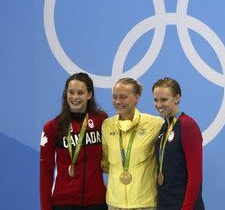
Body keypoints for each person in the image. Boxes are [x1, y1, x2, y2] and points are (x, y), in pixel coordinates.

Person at [40, 72, 108, 210]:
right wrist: (46, 207)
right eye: (71, 92)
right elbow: (45, 171)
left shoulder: (101, 120)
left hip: (97, 202)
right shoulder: (52, 127)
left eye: (80, 93)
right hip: (64, 203)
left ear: (89, 95)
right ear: (66, 94)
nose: (75, 97)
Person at [101, 77, 163, 210]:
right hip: (115, 204)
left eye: (123, 97)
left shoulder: (155, 124)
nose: (118, 101)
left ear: (137, 97)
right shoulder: (107, 125)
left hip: (145, 204)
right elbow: (106, 163)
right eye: (115, 97)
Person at [152, 77, 205, 210]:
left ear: (177, 98)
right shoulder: (164, 127)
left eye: (164, 100)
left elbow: (195, 175)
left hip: (183, 205)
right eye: (155, 100)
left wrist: (186, 208)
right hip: (165, 204)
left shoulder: (188, 125)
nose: (159, 105)